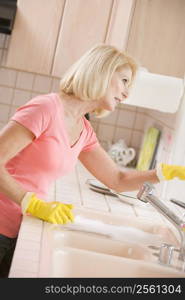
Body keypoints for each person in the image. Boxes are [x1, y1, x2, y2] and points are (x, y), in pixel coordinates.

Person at [0, 44, 185, 277]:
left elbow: (117, 179)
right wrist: (32, 203)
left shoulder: (83, 129)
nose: (127, 93)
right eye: (125, 81)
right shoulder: (46, 108)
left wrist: (164, 173)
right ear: (102, 72)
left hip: (20, 226)